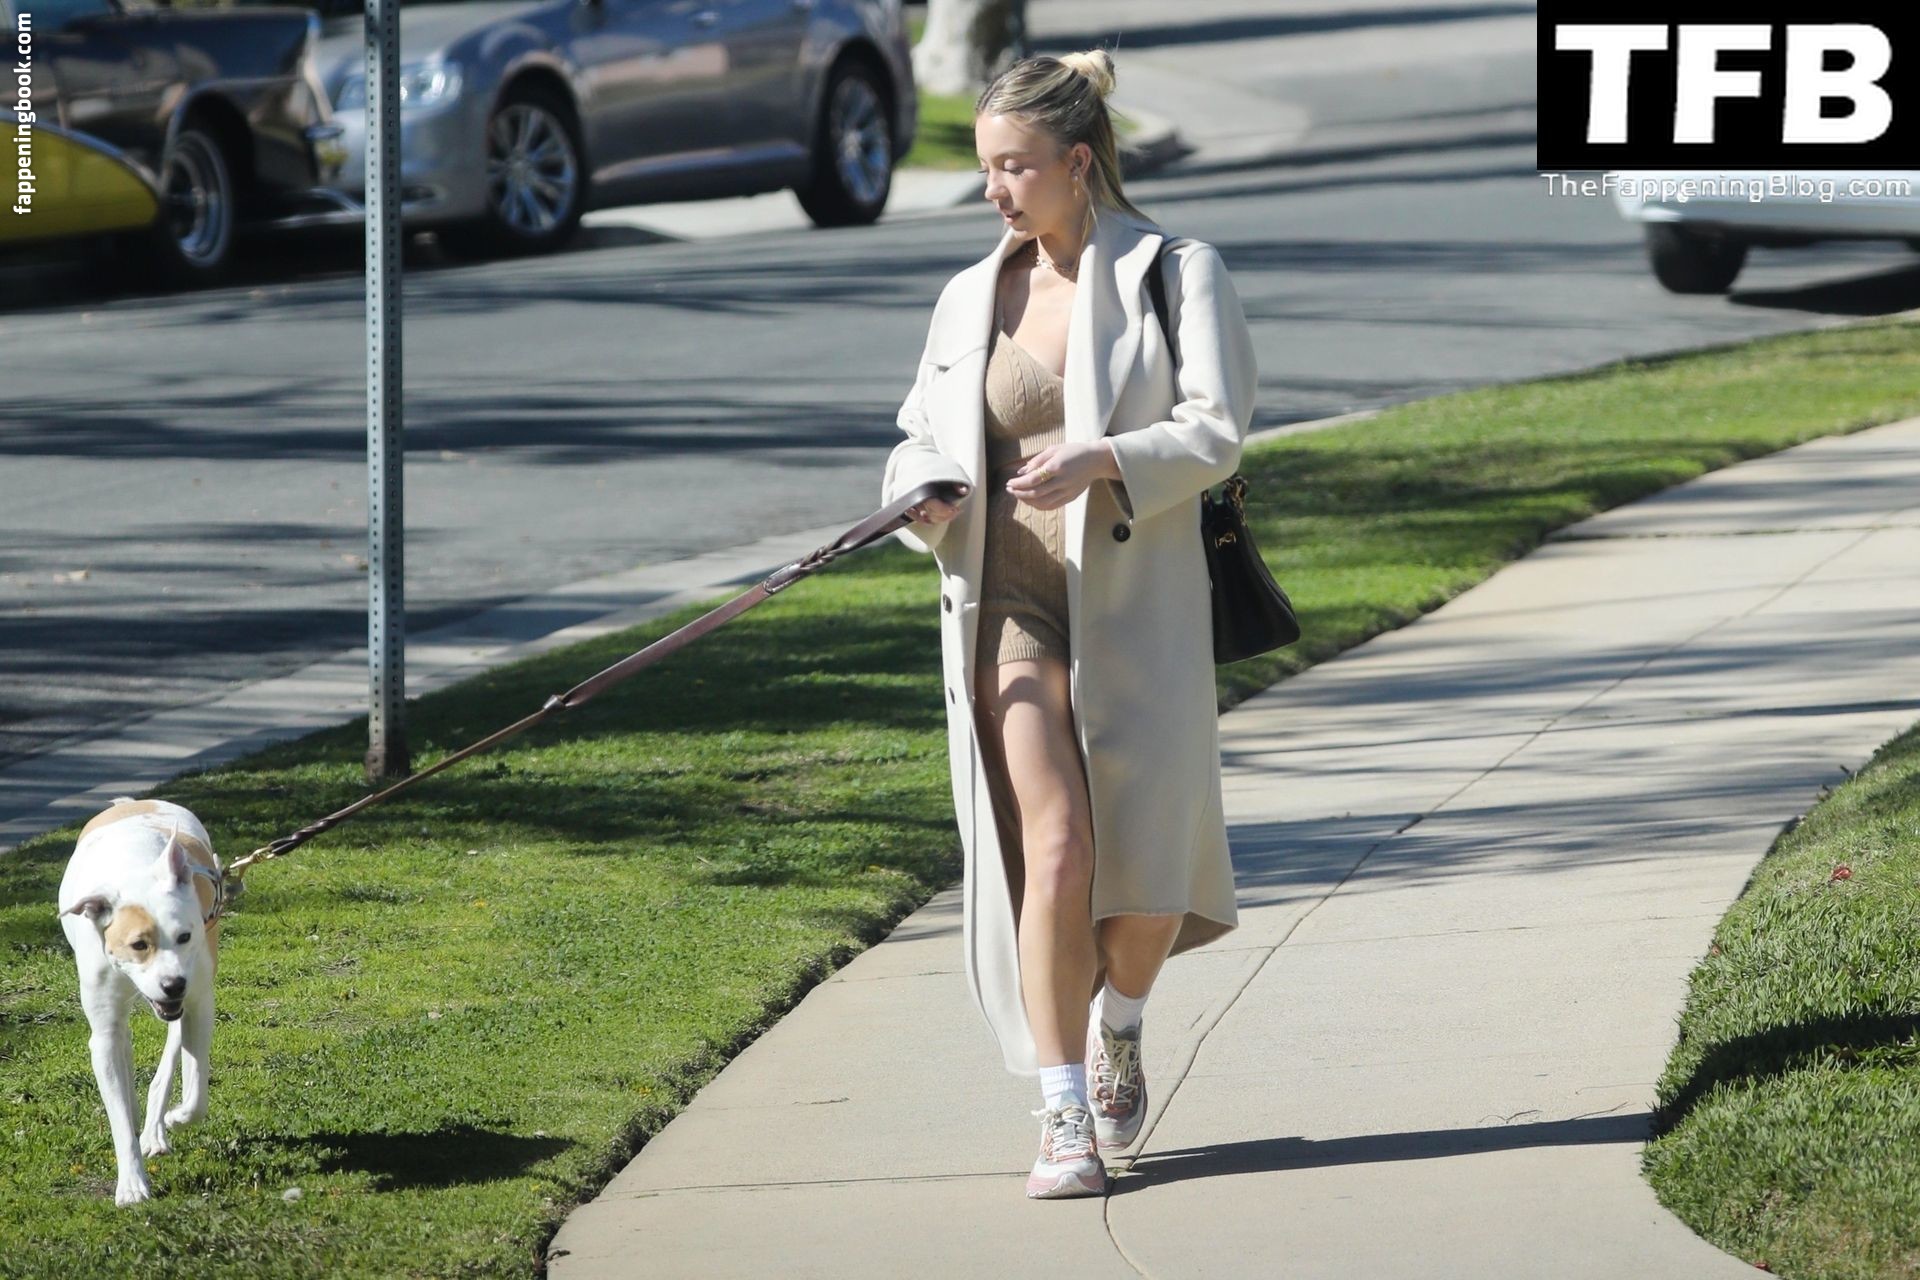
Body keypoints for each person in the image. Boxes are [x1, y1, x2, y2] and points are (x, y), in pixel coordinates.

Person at [880, 47, 1259, 1200]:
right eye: (987, 165)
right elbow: (914, 430)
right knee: (1050, 846)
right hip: (1006, 600)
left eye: (1016, 165)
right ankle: (1060, 1116)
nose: (993, 187)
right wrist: (921, 488)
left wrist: (1102, 457)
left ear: (1079, 162)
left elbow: (1218, 428)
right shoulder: (968, 296)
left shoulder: (1173, 271)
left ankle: (1121, 1022)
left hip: (1136, 604)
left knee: (1143, 887)